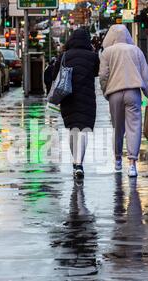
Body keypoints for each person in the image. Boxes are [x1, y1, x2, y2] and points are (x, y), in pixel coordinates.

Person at [99, 24, 148, 178]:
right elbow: (145, 74)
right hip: (133, 92)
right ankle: (132, 164)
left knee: (118, 128)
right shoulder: (136, 51)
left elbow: (103, 75)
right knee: (134, 127)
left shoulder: (107, 53)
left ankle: (118, 160)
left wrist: (106, 92)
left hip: (114, 93)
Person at [53, 29, 100, 179]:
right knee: (84, 130)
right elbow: (97, 72)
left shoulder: (64, 56)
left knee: (73, 129)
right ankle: (79, 163)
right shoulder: (93, 56)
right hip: (87, 98)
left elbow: (54, 76)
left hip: (68, 97)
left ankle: (76, 162)